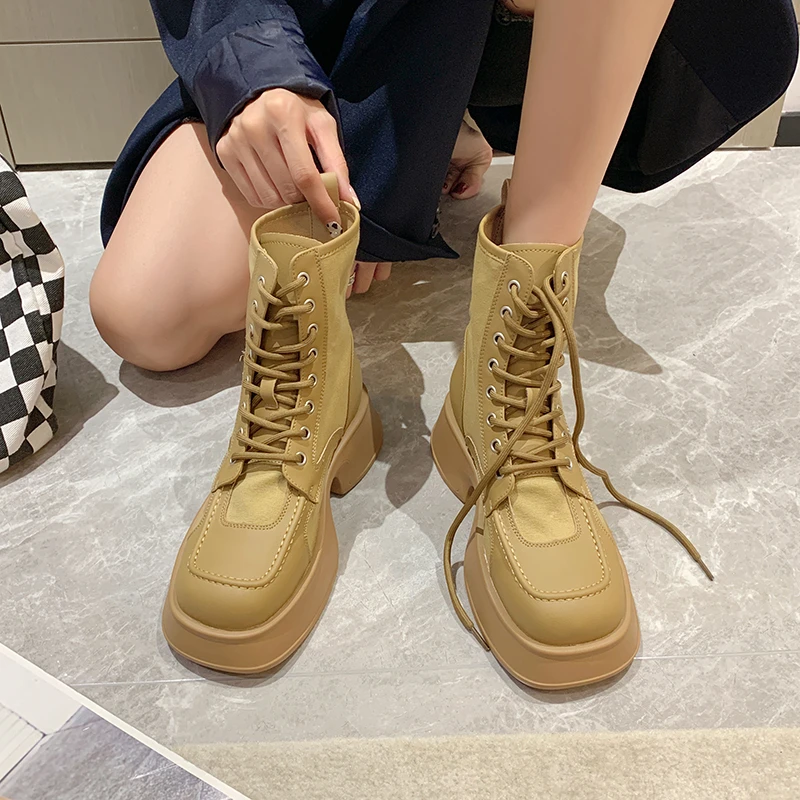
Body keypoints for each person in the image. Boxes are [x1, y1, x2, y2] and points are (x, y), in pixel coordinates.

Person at [93, 0, 797, 687]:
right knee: (144, 315)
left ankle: (505, 396)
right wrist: (256, 64)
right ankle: (326, 389)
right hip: (328, 28)